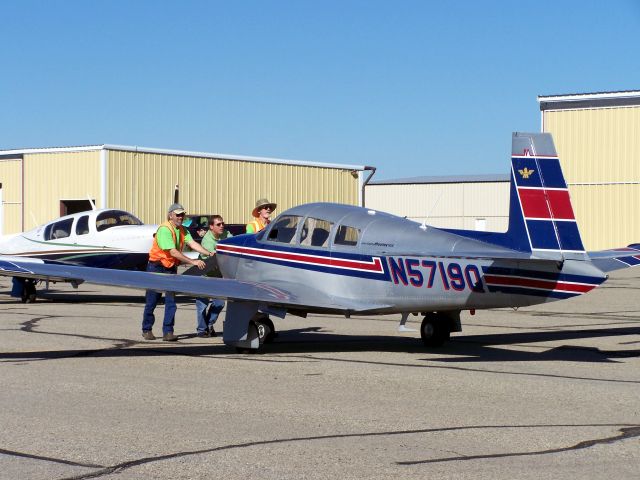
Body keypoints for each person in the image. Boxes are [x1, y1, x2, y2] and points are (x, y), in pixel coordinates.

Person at [141, 203, 214, 341]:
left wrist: (208, 253)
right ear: (170, 215)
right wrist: (193, 262)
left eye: (182, 214)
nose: (181, 217)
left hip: (171, 267)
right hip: (156, 267)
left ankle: (168, 332)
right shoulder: (164, 230)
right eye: (178, 214)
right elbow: (173, 251)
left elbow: (192, 244)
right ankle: (147, 329)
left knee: (171, 301)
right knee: (152, 301)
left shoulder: (183, 230)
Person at [195, 215, 233, 337]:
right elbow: (215, 261)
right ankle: (201, 330)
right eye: (218, 224)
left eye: (223, 223)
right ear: (211, 227)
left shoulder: (226, 233)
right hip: (204, 275)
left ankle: (209, 324)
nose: (222, 226)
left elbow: (234, 244)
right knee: (202, 304)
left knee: (219, 303)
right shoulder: (207, 241)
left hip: (218, 276)